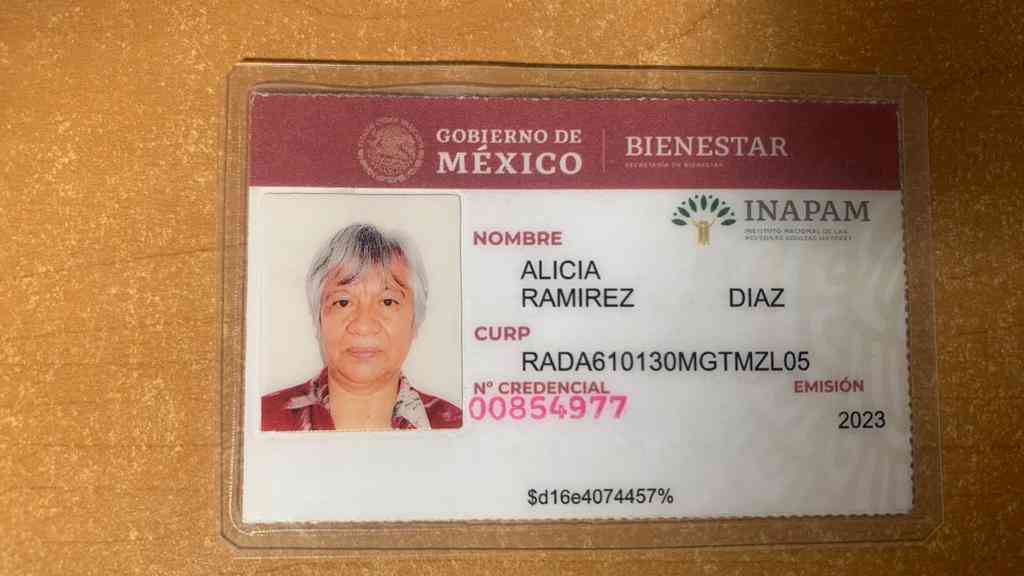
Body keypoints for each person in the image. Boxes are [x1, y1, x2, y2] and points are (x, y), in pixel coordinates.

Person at [261, 223, 462, 431]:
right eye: (343, 302)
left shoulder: (453, 427)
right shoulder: (262, 420)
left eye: (387, 302)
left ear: (415, 321)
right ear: (319, 320)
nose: (363, 325)